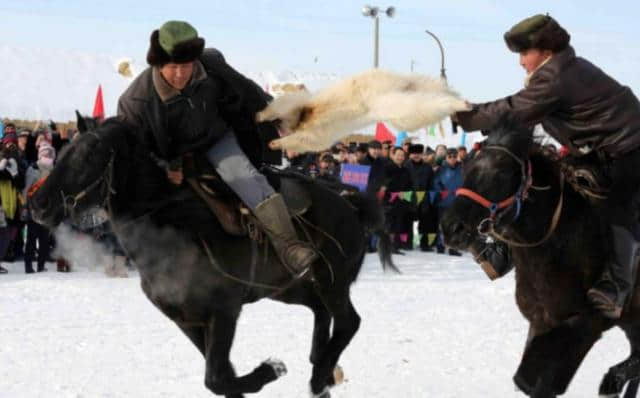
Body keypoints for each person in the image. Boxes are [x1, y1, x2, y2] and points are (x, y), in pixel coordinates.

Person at [454, 14, 640, 319]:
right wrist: (476, 118)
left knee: (617, 207)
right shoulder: (557, 71)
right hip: (595, 151)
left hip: (629, 150)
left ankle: (617, 285)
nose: (521, 62)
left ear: (546, 51)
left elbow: (514, 110)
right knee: (539, 187)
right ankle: (504, 252)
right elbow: (517, 115)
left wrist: (464, 114)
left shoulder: (556, 77)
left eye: (525, 53)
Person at [117, 21, 317, 277]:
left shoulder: (211, 65)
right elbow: (135, 149)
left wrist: (279, 118)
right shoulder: (135, 101)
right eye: (173, 67)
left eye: (186, 65)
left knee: (244, 177)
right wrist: (166, 166)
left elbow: (248, 92)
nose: (180, 74)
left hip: (215, 140)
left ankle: (289, 246)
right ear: (158, 64)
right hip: (169, 156)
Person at [431, 148, 463, 256]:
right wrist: (440, 194)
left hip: (457, 203)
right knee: (442, 225)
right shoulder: (441, 169)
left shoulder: (462, 168)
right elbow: (435, 183)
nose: (453, 159)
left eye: (455, 156)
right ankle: (441, 244)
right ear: (446, 158)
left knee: (456, 226)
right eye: (450, 157)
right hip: (444, 202)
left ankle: (453, 247)